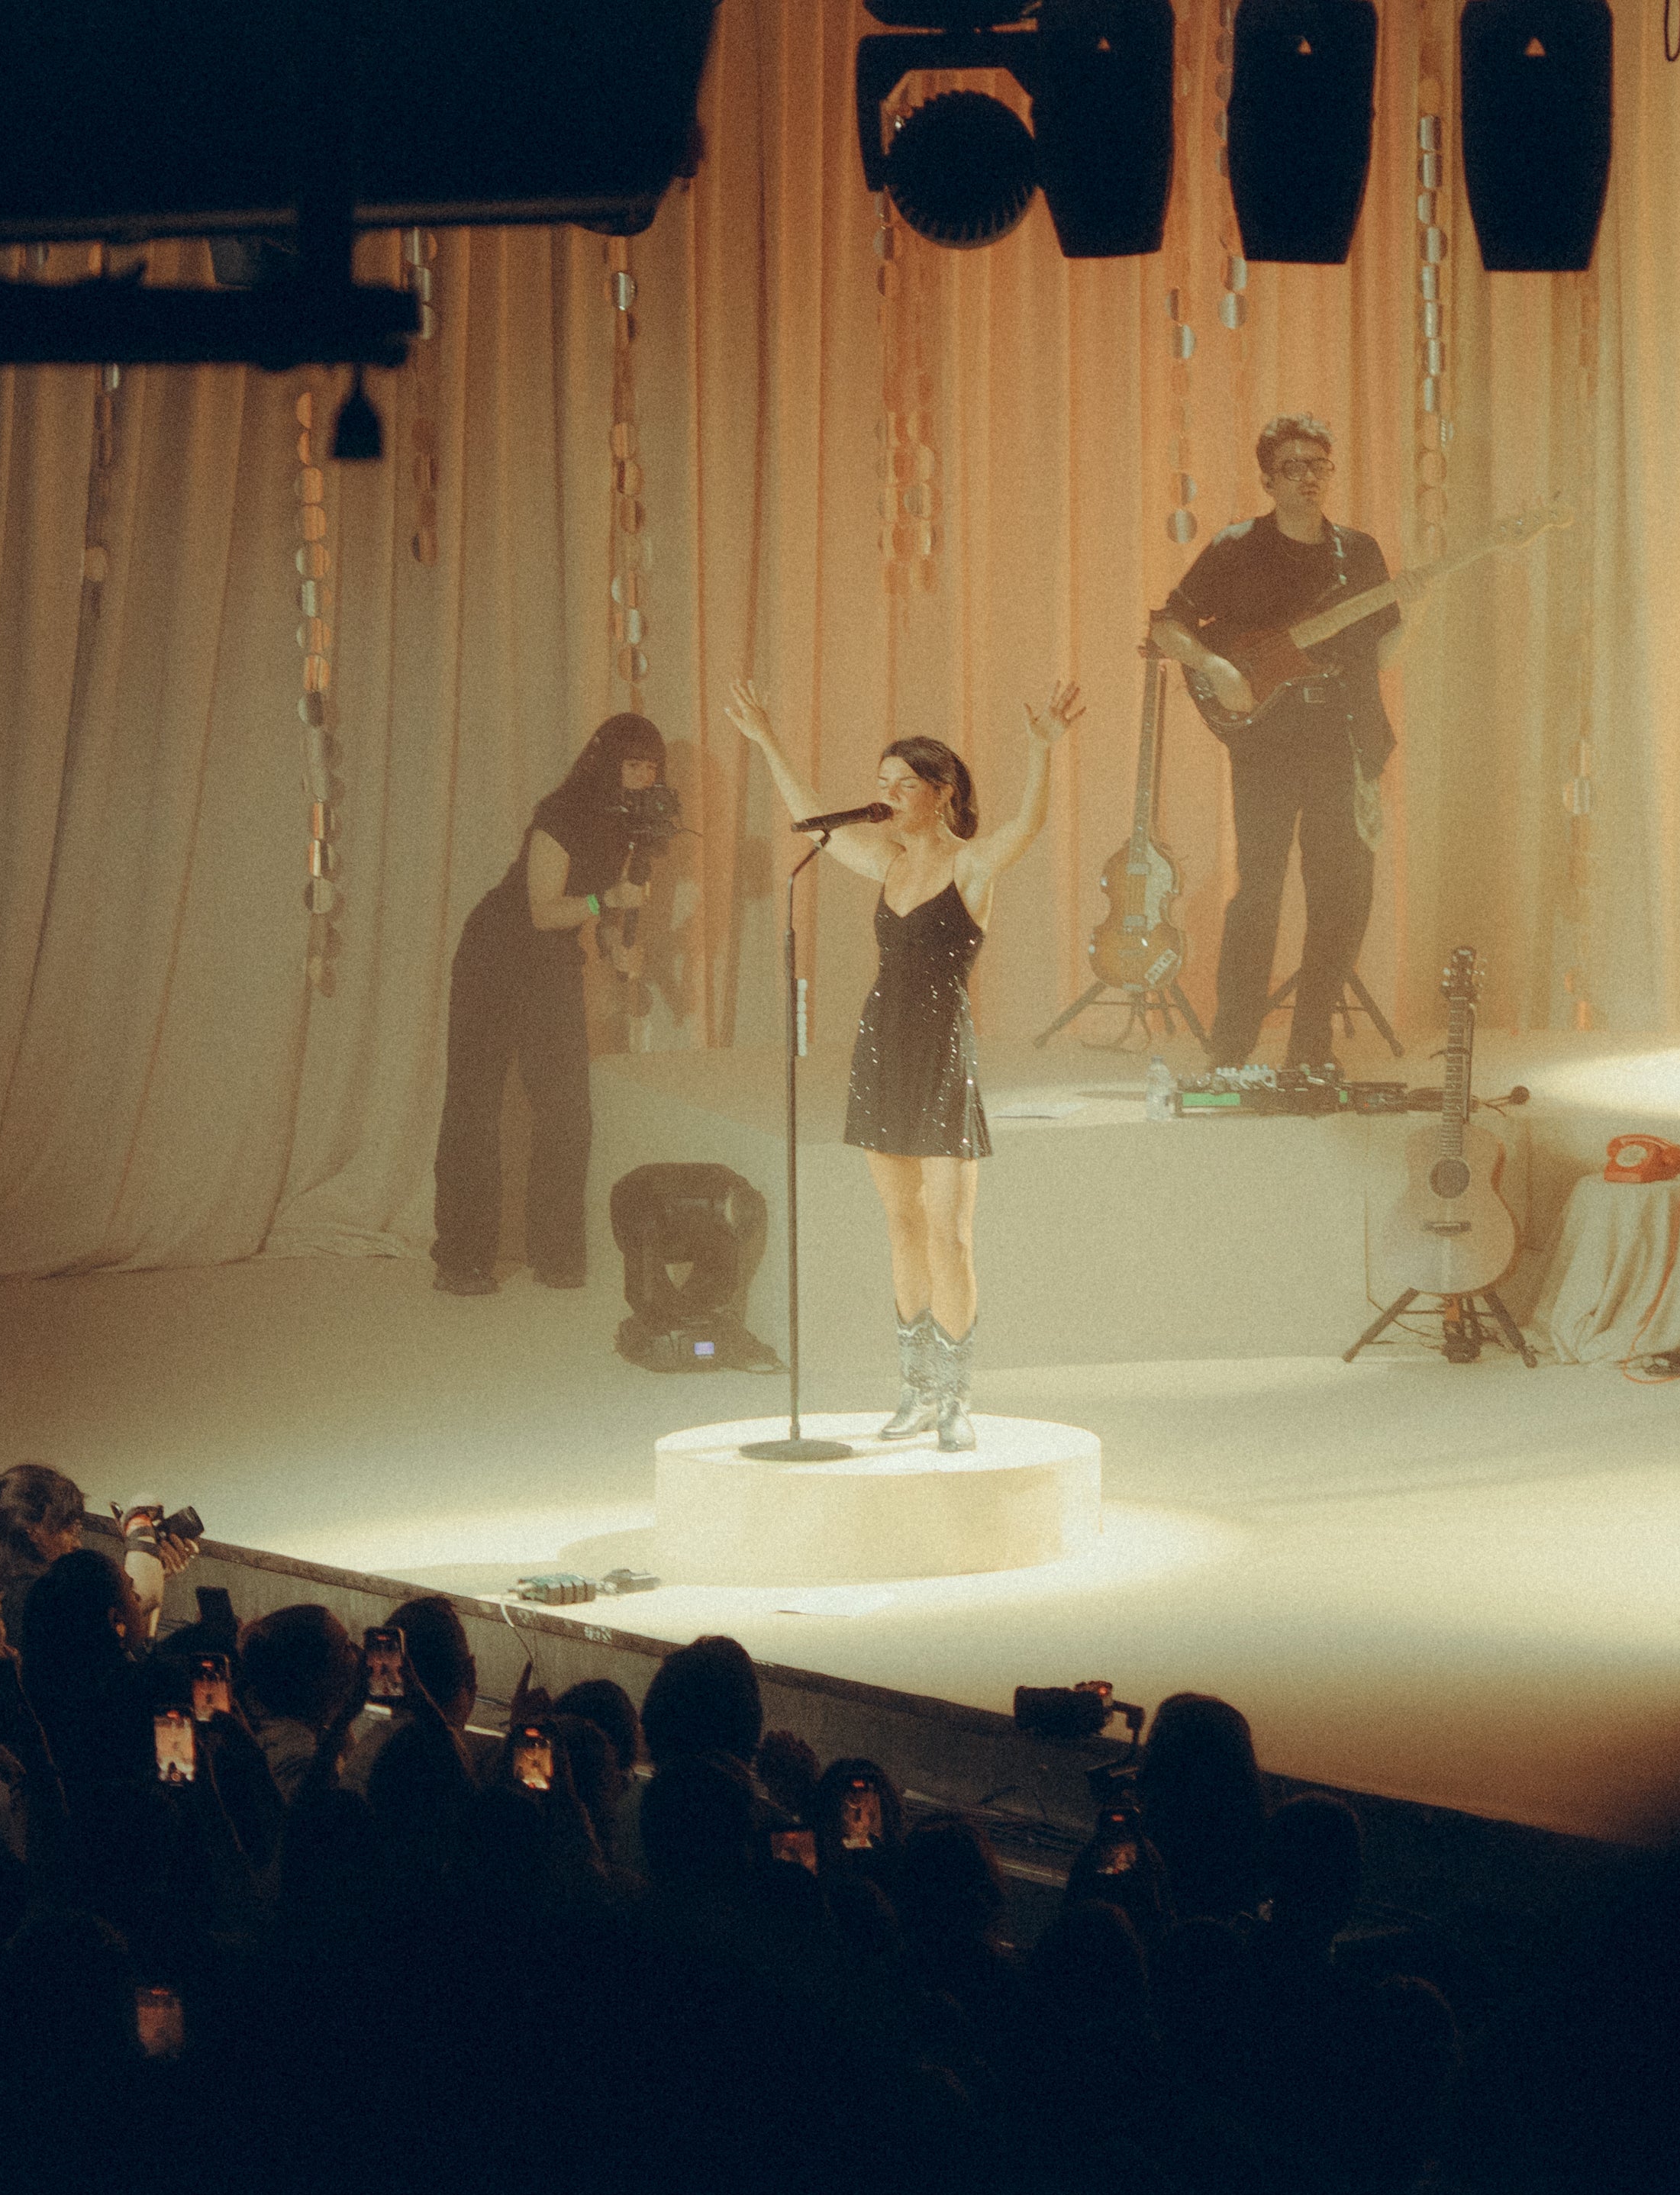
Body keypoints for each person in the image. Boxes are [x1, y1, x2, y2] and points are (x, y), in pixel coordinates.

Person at [724, 676, 1082, 1449]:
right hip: (882, 1048)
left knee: (951, 1234)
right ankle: (915, 1390)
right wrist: (766, 740)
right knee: (902, 1224)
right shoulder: (884, 862)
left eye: (902, 785)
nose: (886, 795)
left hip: (942, 1052)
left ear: (941, 792)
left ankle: (956, 1397)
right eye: (881, 783)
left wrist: (1041, 753)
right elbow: (812, 822)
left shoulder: (973, 866)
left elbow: (1026, 826)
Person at [1151, 414, 1407, 1072]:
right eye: (1292, 466)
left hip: (1342, 735)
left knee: (1342, 894)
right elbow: (1168, 626)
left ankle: (1311, 1044)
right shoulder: (1237, 547)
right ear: (1268, 479)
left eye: (1318, 465)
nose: (1308, 478)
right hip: (1267, 742)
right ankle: (1232, 1045)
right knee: (1259, 893)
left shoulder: (1359, 553)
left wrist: (1420, 603)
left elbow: (1380, 651)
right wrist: (1217, 667)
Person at [430, 711, 666, 1295]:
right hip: (494, 956)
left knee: (566, 1109)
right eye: (633, 765)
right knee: (475, 1106)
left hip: (552, 961)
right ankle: (460, 1260)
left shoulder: (632, 825)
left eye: (652, 767)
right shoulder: (561, 814)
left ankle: (556, 1254)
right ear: (606, 764)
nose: (644, 777)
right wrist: (606, 902)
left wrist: (617, 948)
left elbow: (600, 913)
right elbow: (543, 911)